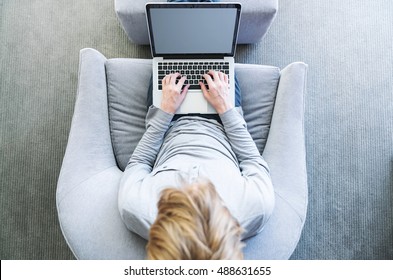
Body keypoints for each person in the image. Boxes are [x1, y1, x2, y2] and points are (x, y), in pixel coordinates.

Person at [118, 71, 275, 259]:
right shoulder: (256, 207)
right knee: (218, 55)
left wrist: (166, 111)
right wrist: (225, 108)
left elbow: (139, 162)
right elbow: (251, 160)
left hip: (169, 122)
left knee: (166, 55)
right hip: (222, 120)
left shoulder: (136, 209)